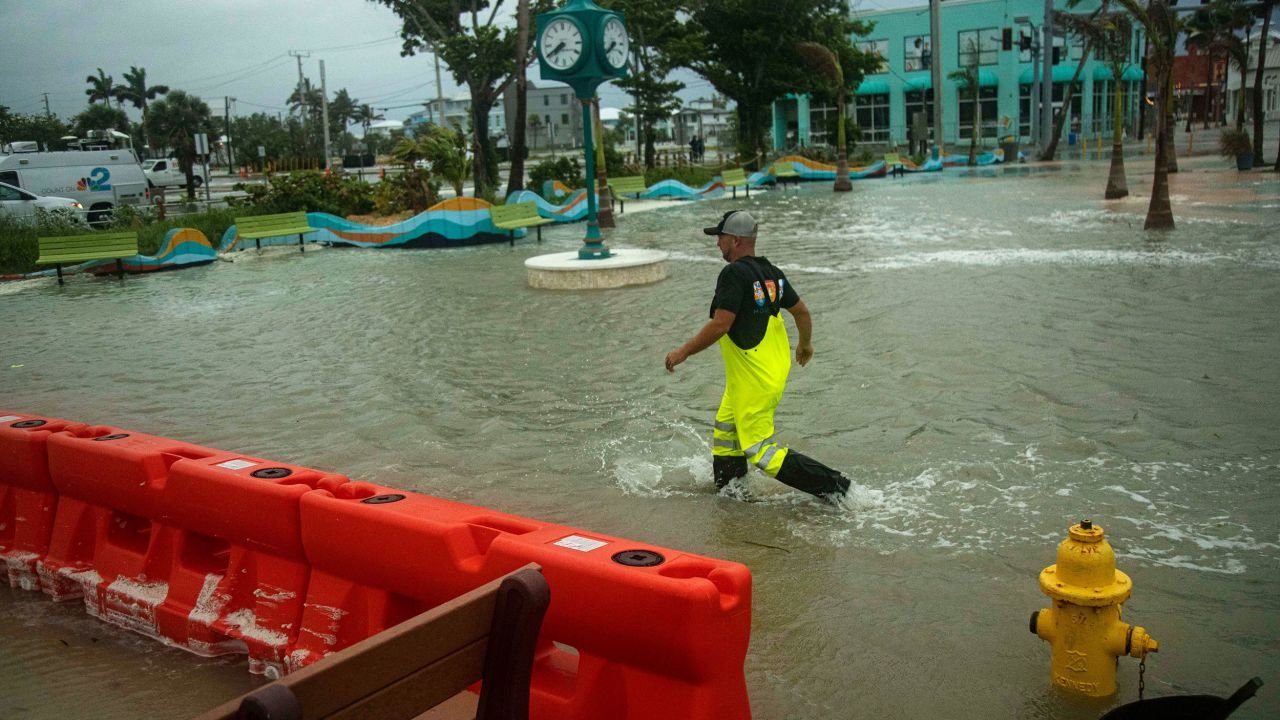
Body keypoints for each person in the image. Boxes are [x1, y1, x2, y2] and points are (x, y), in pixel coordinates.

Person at [665, 210, 851, 500]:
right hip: (762, 372)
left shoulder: (733, 274)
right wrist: (805, 344)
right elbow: (801, 310)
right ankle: (732, 495)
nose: (717, 244)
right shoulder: (772, 274)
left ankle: (838, 487)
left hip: (755, 378)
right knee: (726, 433)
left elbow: (721, 325)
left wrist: (683, 352)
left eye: (721, 237)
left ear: (736, 240)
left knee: (758, 450)